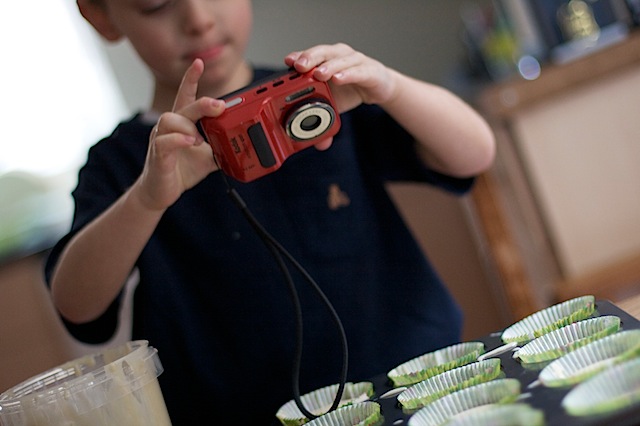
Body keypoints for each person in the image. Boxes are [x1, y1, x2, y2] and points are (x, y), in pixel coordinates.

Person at [46, 0, 495, 423]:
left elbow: (473, 153)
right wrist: (146, 198)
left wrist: (391, 87)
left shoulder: (323, 94)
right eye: (156, 4)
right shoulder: (126, 164)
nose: (198, 18)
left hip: (414, 386)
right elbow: (77, 305)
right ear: (100, 16)